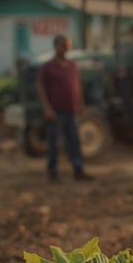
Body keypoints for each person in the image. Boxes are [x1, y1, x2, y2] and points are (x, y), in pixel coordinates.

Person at [36, 35, 93, 182]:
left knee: (74, 141)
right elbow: (41, 88)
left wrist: (80, 105)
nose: (66, 48)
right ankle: (53, 172)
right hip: (56, 111)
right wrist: (47, 108)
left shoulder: (72, 65)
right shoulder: (47, 67)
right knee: (54, 142)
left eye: (68, 45)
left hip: (71, 110)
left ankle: (78, 169)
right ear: (55, 46)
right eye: (63, 45)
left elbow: (76, 86)